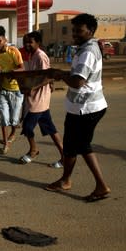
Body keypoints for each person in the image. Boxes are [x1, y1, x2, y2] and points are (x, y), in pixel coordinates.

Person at [46, 13, 110, 202]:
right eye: (73, 30)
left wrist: (60, 74)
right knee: (72, 147)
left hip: (87, 108)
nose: (74, 33)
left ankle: (100, 185)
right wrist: (65, 74)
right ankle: (66, 179)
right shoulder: (84, 48)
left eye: (79, 30)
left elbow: (77, 82)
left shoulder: (88, 51)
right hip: (80, 107)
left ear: (90, 31)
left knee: (81, 146)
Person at [18, 31, 64, 168]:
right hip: (37, 99)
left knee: (27, 127)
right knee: (50, 128)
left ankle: (33, 150)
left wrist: (33, 87)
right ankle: (65, 155)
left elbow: (47, 77)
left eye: (30, 42)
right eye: (26, 42)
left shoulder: (40, 56)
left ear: (38, 43)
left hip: (39, 99)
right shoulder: (32, 56)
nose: (27, 45)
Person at [0, 26, 24, 154]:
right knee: (5, 119)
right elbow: (0, 66)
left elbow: (22, 68)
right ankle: (5, 144)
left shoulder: (14, 51)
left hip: (16, 90)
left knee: (14, 120)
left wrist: (12, 72)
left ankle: (13, 133)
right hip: (3, 90)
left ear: (5, 40)